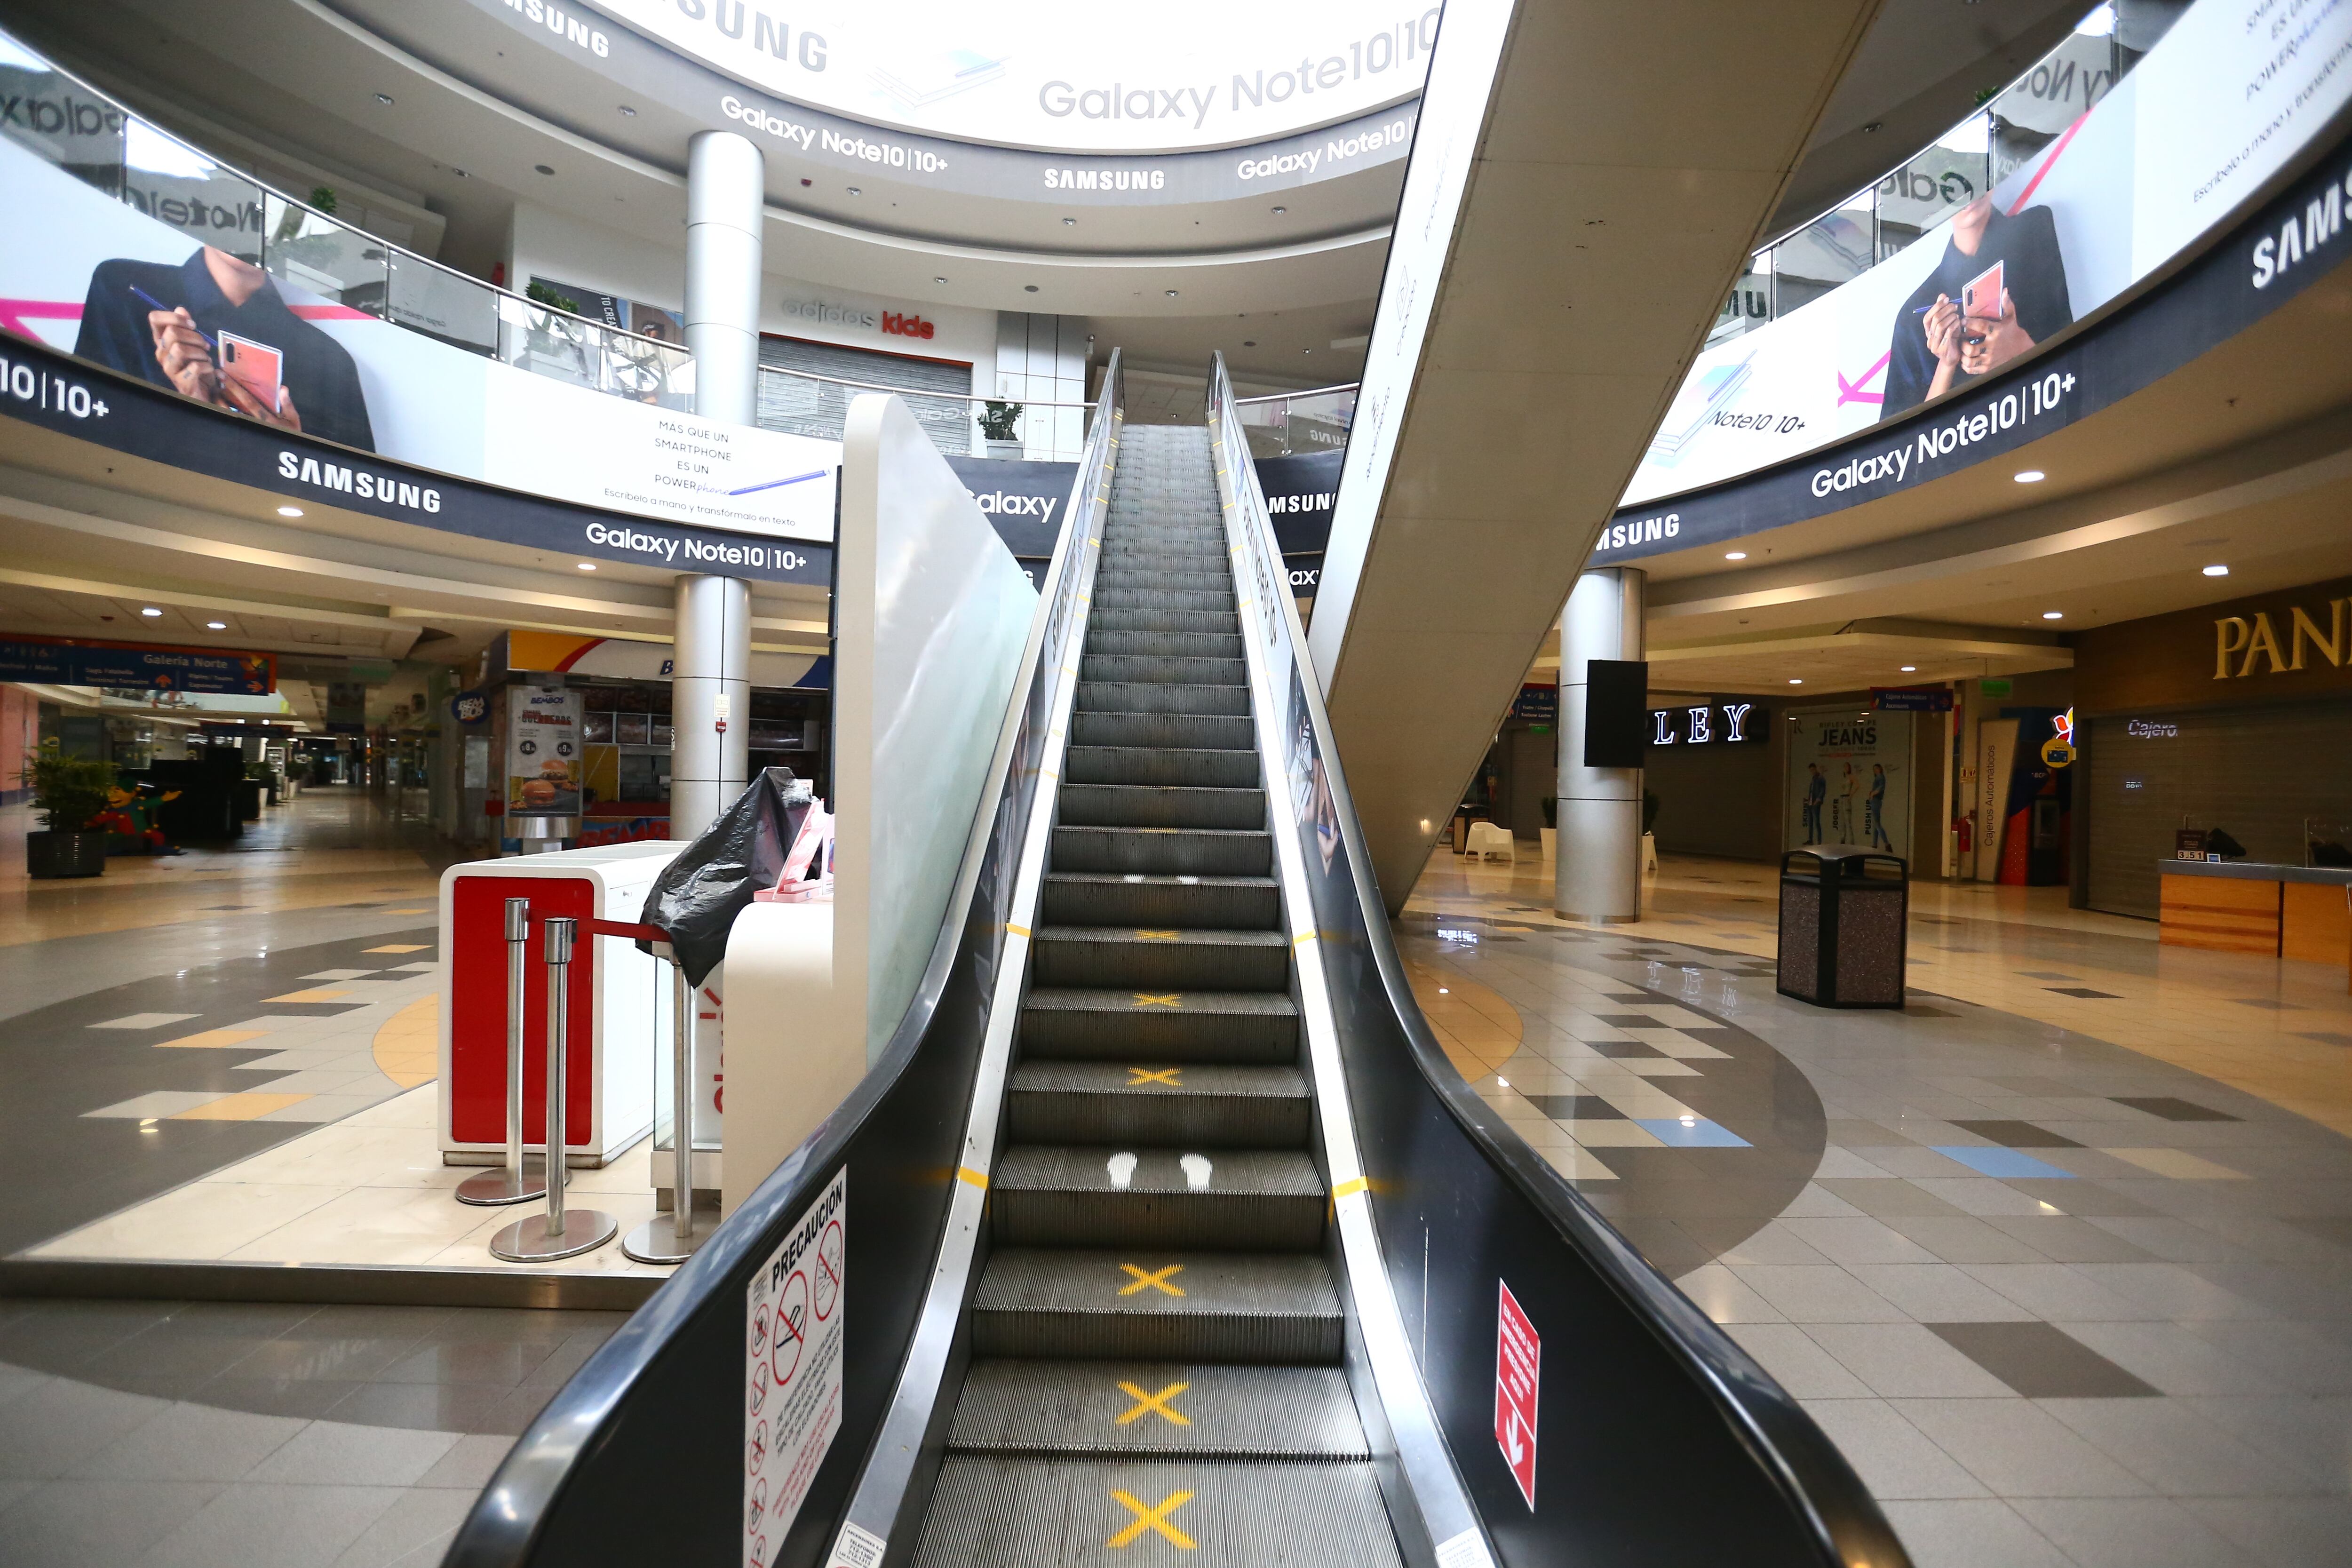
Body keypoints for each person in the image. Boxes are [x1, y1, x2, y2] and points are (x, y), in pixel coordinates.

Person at [75, 245, 375, 452]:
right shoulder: (122, 288)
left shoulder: (330, 361)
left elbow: (361, 499)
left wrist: (291, 455)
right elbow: (83, 428)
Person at [1881, 195, 2073, 420]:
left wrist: (2021, 348)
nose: (1967, 195)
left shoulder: (2035, 231)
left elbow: (2077, 373)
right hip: (1972, 443)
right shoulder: (1914, 312)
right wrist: (1946, 364)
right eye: (1950, 190)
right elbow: (1905, 444)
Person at [1867, 763, 1893, 851]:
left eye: (1877, 769)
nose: (1875, 770)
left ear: (1880, 769)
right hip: (1876, 801)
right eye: (1874, 769)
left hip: (1876, 801)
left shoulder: (1880, 777)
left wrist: (1873, 794)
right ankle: (1874, 844)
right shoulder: (1879, 777)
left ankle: (1887, 843)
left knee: (1877, 823)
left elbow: (1881, 788)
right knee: (1875, 824)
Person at [1803, 764, 1826, 845]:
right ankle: (1810, 839)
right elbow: (1812, 791)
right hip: (1811, 802)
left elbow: (1823, 790)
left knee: (1816, 822)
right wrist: (1808, 800)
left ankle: (1819, 841)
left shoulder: (1820, 778)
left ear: (1816, 769)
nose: (1812, 772)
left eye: (1813, 770)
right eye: (1811, 771)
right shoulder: (1814, 779)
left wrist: (1818, 800)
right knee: (1810, 822)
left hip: (1816, 803)